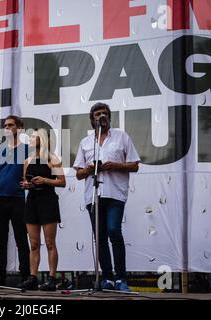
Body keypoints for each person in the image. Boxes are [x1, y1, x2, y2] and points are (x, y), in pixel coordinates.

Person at [73, 102, 140, 292]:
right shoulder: (86, 142)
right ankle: (107, 278)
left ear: (109, 117)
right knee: (100, 238)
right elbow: (78, 174)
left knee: (113, 231)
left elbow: (134, 165)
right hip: (93, 196)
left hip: (115, 193)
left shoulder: (122, 137)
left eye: (104, 113)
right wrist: (89, 169)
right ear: (92, 119)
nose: (101, 116)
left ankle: (121, 279)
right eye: (97, 114)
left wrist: (114, 166)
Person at [0, 115, 30, 286]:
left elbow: (31, 173)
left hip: (18, 199)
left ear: (19, 128)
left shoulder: (28, 149)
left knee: (21, 240)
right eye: (5, 125)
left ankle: (26, 277)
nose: (7, 128)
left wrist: (29, 182)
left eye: (11, 125)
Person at [19, 128, 66, 291]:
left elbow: (62, 182)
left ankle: (52, 278)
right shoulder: (27, 160)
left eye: (34, 136)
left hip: (48, 201)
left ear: (43, 139)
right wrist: (27, 185)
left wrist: (45, 180)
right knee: (33, 243)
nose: (31, 139)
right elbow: (26, 181)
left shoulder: (52, 159)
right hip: (32, 201)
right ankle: (33, 277)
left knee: (50, 242)